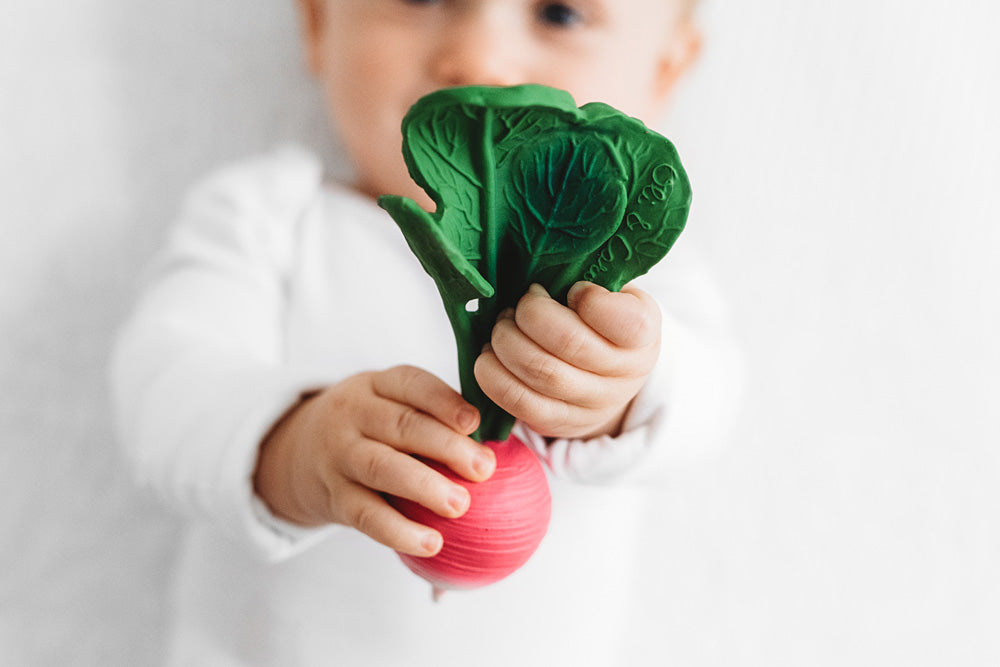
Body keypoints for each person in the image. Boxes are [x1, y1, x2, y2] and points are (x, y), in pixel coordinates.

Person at [111, 0, 739, 664]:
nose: (479, 59)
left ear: (664, 72)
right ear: (319, 25)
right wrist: (298, 451)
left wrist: (626, 387)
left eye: (560, 14)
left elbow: (713, 399)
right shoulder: (267, 219)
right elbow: (164, 386)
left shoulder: (630, 270)